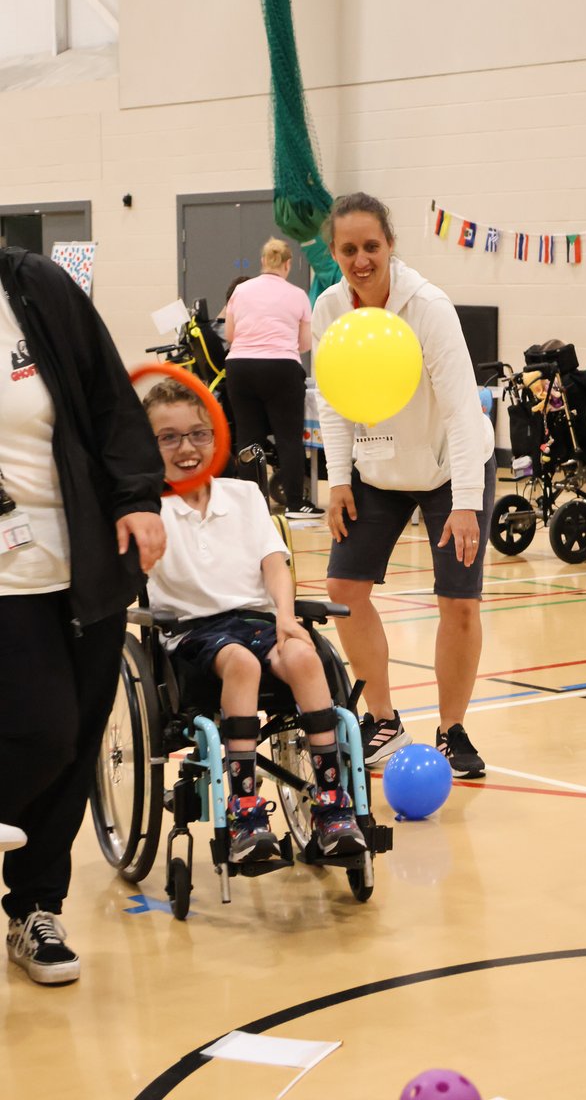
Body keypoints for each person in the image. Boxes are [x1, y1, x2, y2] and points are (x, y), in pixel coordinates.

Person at [0, 247, 166, 986]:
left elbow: (109, 400)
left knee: (76, 748)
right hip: (6, 576)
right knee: (43, 728)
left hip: (85, 558)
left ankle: (34, 906)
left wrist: (137, 497)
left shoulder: (34, 285)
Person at [143, 378, 366, 862]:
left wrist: (286, 618)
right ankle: (245, 809)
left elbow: (273, 563)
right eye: (169, 437)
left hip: (256, 619)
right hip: (192, 632)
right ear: (150, 446)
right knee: (241, 662)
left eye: (198, 434)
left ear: (216, 436)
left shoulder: (243, 495)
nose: (187, 448)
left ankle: (332, 803)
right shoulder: (148, 512)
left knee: (305, 655)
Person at [312, 193, 496, 777]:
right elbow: (334, 400)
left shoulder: (430, 308)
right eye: (349, 249)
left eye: (371, 246)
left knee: (458, 603)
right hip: (378, 471)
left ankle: (453, 730)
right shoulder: (329, 307)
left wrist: (466, 504)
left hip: (449, 469)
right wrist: (337, 479)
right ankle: (384, 722)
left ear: (390, 244)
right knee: (343, 588)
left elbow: (465, 412)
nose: (361, 259)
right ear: (334, 252)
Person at [220, 237, 324, 519]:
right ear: (288, 264)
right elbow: (304, 344)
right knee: (288, 438)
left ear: (263, 261)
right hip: (281, 367)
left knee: (247, 438)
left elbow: (230, 335)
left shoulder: (240, 291)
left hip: (240, 367)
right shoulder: (298, 295)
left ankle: (251, 506)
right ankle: (294, 503)